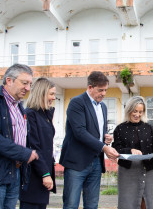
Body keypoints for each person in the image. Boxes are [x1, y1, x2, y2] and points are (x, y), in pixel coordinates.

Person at [59, 71, 119, 209]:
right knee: (71, 204)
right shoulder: (77, 102)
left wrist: (105, 137)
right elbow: (80, 132)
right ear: (90, 87)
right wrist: (104, 147)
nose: (104, 93)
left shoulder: (103, 106)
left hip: (96, 162)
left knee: (92, 205)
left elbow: (96, 131)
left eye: (105, 90)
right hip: (77, 162)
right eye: (100, 90)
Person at [0, 63, 39, 208]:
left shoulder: (18, 106)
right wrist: (22, 152)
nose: (28, 88)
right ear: (9, 80)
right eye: (24, 83)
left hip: (14, 172)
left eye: (29, 84)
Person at [112, 96, 153, 209]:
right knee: (126, 202)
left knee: (146, 202)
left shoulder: (150, 128)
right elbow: (116, 149)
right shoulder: (119, 129)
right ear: (129, 110)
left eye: (140, 112)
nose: (137, 114)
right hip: (127, 171)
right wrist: (130, 151)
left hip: (147, 170)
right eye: (135, 111)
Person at [19, 78, 57, 209]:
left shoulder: (45, 115)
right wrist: (45, 173)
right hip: (34, 174)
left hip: (43, 172)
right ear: (41, 93)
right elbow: (33, 146)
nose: (53, 97)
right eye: (51, 94)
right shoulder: (30, 114)